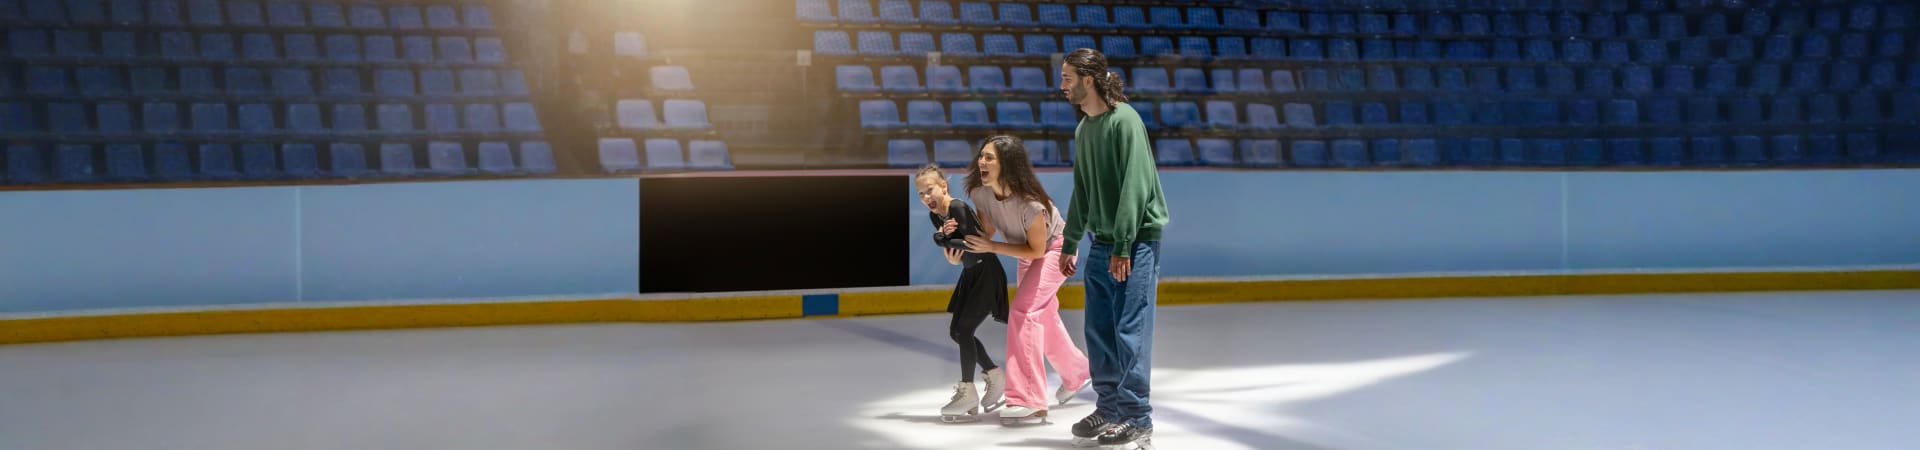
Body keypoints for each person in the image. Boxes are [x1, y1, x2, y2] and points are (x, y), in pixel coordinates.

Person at [1055, 48, 1171, 449]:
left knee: (1130, 331)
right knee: (1100, 330)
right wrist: (1071, 240)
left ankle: (1137, 418)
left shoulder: (1125, 121)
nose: (1062, 85)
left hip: (1135, 243)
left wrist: (1123, 244)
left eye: (1067, 77)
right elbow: (1082, 190)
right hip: (1103, 242)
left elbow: (1134, 187)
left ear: (1088, 80)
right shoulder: (1084, 129)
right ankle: (1109, 408)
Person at [958, 136, 1091, 426]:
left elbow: (1038, 250)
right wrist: (958, 241)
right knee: (1041, 314)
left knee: (1024, 311)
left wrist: (992, 247)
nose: (982, 162)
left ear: (1007, 164)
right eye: (981, 156)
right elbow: (987, 233)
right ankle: (1077, 372)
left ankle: (1029, 399)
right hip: (1027, 251)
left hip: (1055, 250)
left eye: (990, 157)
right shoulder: (980, 194)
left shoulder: (1031, 204)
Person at [915, 164, 1009, 423]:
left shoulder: (956, 207)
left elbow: (971, 244)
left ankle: (968, 392)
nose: (926, 197)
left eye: (929, 190)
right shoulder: (937, 216)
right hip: (971, 274)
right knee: (957, 332)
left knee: (964, 331)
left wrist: (940, 239)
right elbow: (954, 249)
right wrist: (946, 245)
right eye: (920, 194)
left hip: (987, 272)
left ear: (944, 186)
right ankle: (993, 373)